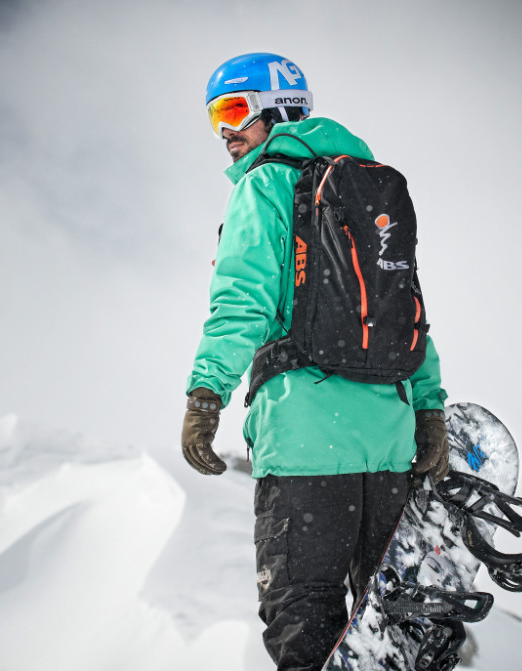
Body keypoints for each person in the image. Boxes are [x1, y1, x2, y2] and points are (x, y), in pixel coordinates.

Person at [181, 52, 451, 671]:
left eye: (233, 110)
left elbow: (240, 302)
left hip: (304, 442)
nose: (225, 133)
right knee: (394, 632)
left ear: (278, 109)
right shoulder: (372, 183)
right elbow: (404, 304)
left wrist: (205, 394)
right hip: (389, 442)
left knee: (307, 629)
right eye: (214, 118)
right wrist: (430, 407)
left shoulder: (265, 184)